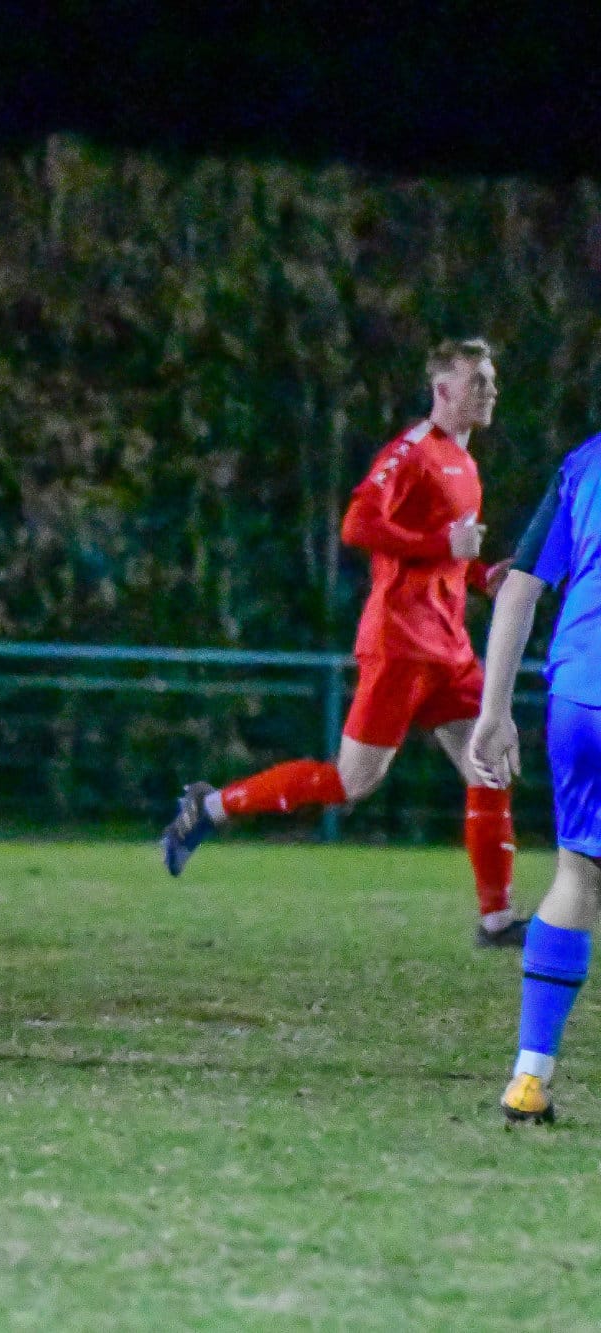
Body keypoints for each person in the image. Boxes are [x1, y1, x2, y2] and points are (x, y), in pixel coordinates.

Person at [161, 338, 524, 946]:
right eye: (477, 381)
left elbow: (447, 558)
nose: (490, 390)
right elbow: (357, 524)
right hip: (401, 644)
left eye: (491, 379)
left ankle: (497, 921)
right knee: (351, 782)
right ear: (443, 390)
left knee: (491, 769)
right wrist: (442, 546)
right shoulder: (412, 451)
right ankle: (212, 806)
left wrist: (483, 575)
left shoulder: (464, 462)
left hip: (450, 648)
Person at [470, 429, 601, 1122]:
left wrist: (494, 710)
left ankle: (529, 1076)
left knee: (577, 876)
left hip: (581, 697)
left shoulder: (585, 463)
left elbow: (519, 588)